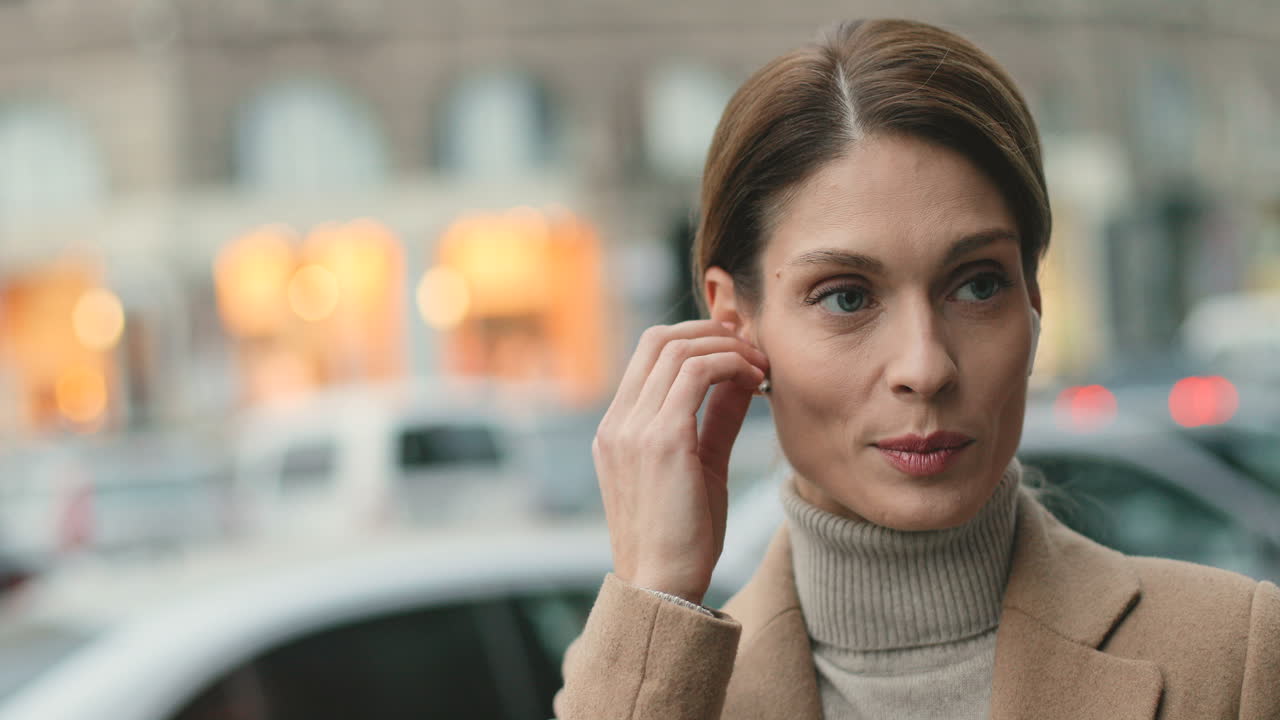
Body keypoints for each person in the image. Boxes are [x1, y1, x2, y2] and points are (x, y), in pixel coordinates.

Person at [552, 17, 1280, 720]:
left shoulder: (1237, 656)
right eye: (846, 297)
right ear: (734, 323)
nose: (925, 367)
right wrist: (656, 594)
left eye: (978, 284)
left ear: (1032, 298)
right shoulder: (648, 687)